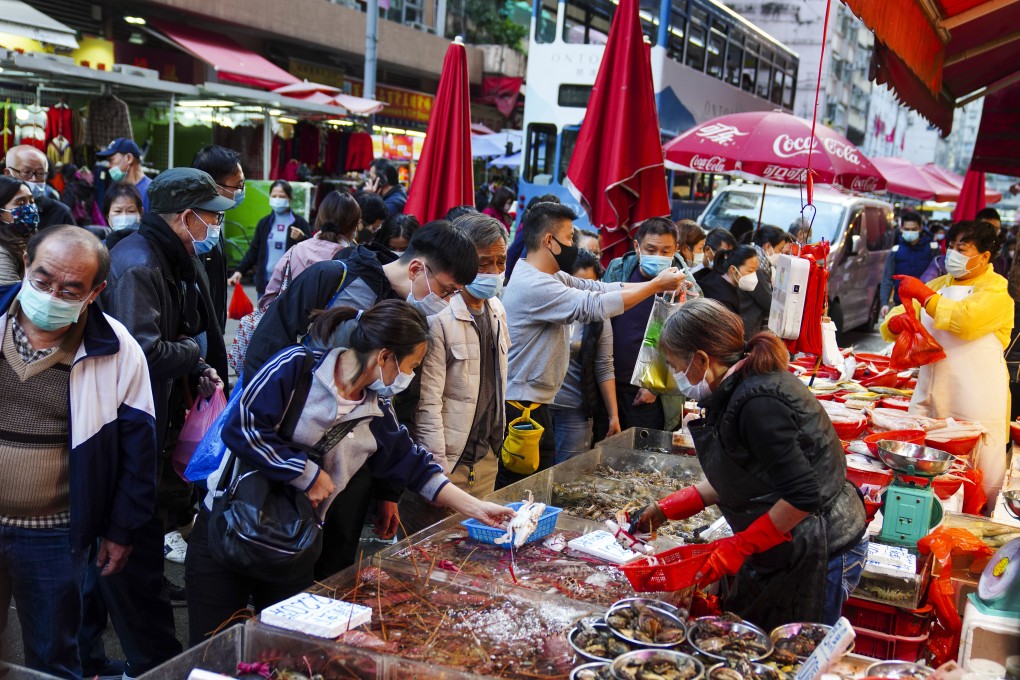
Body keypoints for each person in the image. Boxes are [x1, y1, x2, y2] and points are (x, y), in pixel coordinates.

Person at [186, 300, 515, 645]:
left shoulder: (377, 410)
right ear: (385, 357)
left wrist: (478, 510)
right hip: (227, 529)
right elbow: (241, 427)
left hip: (295, 545)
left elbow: (415, 466)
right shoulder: (295, 367)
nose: (410, 376)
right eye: (411, 365)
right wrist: (306, 474)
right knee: (211, 648)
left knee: (284, 650)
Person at [631, 298, 868, 628]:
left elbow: (803, 495)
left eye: (674, 366)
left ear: (701, 359)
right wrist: (668, 508)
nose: (675, 376)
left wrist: (737, 547)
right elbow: (743, 472)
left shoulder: (760, 401)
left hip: (822, 542)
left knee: (796, 650)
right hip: (791, 538)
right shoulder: (735, 388)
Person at [0, 226, 157, 680]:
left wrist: (122, 529)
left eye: (70, 289)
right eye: (43, 281)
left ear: (95, 292)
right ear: (25, 264)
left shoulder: (118, 351)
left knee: (53, 654)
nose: (51, 296)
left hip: (55, 532)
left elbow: (137, 453)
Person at [97, 168, 233, 675]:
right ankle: (152, 661)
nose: (217, 226)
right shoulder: (137, 262)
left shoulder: (169, 255)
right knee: (129, 551)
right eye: (213, 217)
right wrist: (194, 350)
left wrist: (196, 365)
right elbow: (144, 348)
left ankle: (103, 654)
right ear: (186, 216)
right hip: (130, 424)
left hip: (158, 417)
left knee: (130, 552)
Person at [499, 204, 685, 488]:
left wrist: (655, 286)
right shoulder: (534, 285)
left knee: (536, 482)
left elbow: (599, 289)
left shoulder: (552, 277)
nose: (573, 245)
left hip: (536, 402)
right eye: (570, 237)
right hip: (521, 406)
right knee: (522, 485)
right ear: (549, 241)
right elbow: (593, 306)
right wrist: (655, 286)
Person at [881, 220, 1013, 514]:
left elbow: (965, 321)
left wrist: (925, 297)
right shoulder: (939, 285)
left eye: (961, 248)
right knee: (923, 469)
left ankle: (975, 520)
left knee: (977, 472)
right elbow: (891, 323)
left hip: (978, 400)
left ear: (984, 257)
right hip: (933, 391)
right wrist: (895, 321)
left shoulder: (996, 292)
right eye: (951, 247)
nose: (953, 254)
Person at [245, 219, 476, 379]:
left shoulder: (412, 315)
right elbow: (267, 345)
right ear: (416, 269)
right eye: (446, 290)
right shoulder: (331, 276)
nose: (445, 301)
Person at [399, 213, 510, 535]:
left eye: (500, 262)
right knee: (424, 551)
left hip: (485, 458)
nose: (493, 272)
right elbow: (428, 402)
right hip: (446, 463)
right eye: (483, 263)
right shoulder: (438, 314)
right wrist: (436, 471)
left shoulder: (497, 310)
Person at [603, 217, 700, 433]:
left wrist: (656, 388)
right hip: (607, 384)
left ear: (675, 249)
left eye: (665, 251)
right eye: (651, 249)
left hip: (647, 395)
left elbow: (690, 347)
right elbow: (599, 321)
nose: (658, 256)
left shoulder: (687, 287)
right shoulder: (618, 271)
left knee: (642, 458)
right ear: (637, 247)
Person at [550, 248, 620, 460]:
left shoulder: (599, 315)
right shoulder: (548, 304)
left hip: (575, 410)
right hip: (538, 405)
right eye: (579, 284)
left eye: (591, 285)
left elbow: (604, 365)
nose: (585, 293)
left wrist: (613, 415)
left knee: (566, 476)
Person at [259, 191, 360, 307]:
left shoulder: (295, 250)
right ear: (354, 226)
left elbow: (270, 296)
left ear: (320, 218)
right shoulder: (353, 262)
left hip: (290, 322)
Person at [227, 179, 310, 298]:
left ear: (290, 198)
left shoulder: (300, 223)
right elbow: (253, 251)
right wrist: (239, 271)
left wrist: (302, 238)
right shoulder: (264, 223)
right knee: (264, 317)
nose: (277, 199)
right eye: (274, 196)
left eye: (281, 196)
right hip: (265, 286)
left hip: (291, 287)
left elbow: (310, 252)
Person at [193, 145, 245, 330]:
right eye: (238, 186)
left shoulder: (215, 220)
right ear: (215, 186)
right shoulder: (195, 228)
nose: (241, 191)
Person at [879, 212, 938, 318]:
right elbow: (887, 279)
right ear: (901, 229)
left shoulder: (932, 249)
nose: (910, 232)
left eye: (913, 229)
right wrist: (884, 303)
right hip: (901, 305)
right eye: (907, 229)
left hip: (926, 306)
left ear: (920, 228)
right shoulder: (896, 251)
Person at [5, 145, 72, 230]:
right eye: (27, 172)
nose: (34, 179)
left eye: (41, 174)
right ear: (8, 173)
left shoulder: (60, 213)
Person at [741, 227, 788, 340]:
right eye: (780, 249)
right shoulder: (756, 268)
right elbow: (768, 303)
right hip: (749, 329)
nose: (781, 254)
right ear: (768, 246)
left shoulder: (751, 259)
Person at [699, 244, 759, 314]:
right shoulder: (723, 301)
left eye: (755, 270)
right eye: (750, 271)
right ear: (733, 269)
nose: (753, 275)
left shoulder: (718, 275)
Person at [0, 176, 38, 285]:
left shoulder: (26, 238)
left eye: (31, 201)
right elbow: (9, 297)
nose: (30, 208)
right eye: (21, 203)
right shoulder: (2, 252)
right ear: (1, 213)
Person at [96, 139, 151, 212]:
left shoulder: (149, 192)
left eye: (111, 160)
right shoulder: (117, 189)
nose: (109, 166)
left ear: (129, 158)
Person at [103, 182, 144, 251]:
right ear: (107, 215)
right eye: (118, 211)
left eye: (131, 211)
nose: (124, 216)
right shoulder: (101, 249)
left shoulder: (148, 246)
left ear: (140, 213)